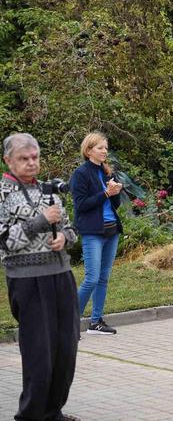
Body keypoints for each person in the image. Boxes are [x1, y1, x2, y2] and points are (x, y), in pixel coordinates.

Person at [1, 133, 79, 420]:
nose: (32, 163)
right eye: (24, 158)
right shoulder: (3, 193)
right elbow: (4, 241)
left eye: (35, 157)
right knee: (39, 353)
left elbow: (71, 229)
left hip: (61, 274)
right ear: (8, 160)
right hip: (27, 280)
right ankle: (31, 415)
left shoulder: (50, 190)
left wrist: (65, 239)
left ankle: (52, 411)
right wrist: (40, 222)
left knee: (66, 348)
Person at [70, 132, 123, 335]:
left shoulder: (107, 172)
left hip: (111, 231)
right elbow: (81, 205)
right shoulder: (81, 174)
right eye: (100, 147)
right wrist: (105, 193)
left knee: (103, 278)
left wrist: (115, 192)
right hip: (93, 232)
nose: (104, 151)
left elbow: (114, 205)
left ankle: (96, 322)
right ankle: (69, 322)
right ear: (89, 150)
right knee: (91, 278)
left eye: (106, 148)